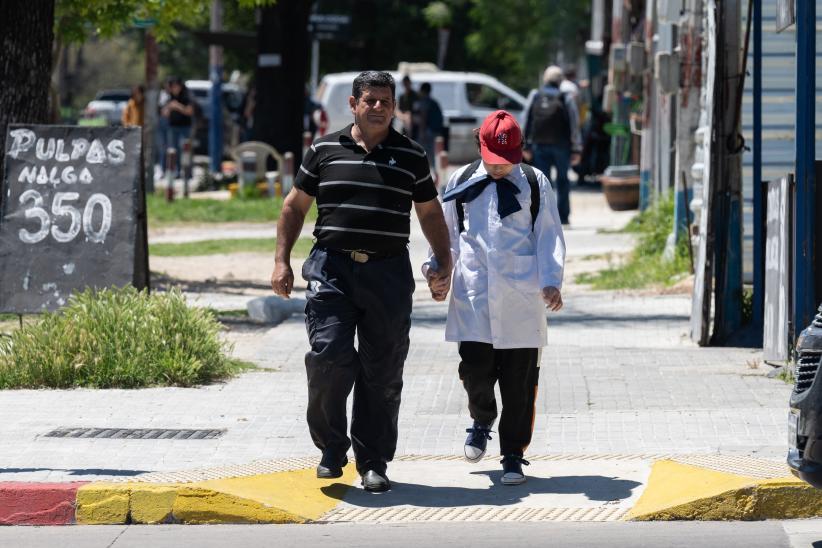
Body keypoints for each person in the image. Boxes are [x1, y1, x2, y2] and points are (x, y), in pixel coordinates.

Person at [271, 71, 452, 493]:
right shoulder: (323, 150)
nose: (378, 107)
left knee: (383, 371)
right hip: (331, 270)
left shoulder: (410, 155)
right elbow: (294, 206)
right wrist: (281, 260)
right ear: (353, 104)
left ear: (394, 106)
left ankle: (373, 461)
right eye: (369, 100)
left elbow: (428, 213)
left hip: (388, 274)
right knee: (328, 357)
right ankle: (332, 449)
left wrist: (444, 261)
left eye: (385, 100)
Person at [424, 110, 565, 485]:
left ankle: (513, 454)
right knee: (475, 372)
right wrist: (436, 271)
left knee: (520, 383)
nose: (500, 168)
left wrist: (551, 280)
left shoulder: (535, 182)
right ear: (478, 146)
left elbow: (548, 234)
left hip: (521, 299)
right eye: (493, 161)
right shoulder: (462, 180)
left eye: (507, 161)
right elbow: (447, 234)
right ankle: (481, 417)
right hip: (474, 297)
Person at [523, 65, 582, 225]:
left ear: (545, 79)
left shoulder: (535, 95)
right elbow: (574, 123)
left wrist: (525, 146)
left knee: (542, 182)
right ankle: (563, 217)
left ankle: (543, 217)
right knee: (563, 181)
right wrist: (576, 148)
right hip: (562, 147)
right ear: (560, 81)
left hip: (539, 146)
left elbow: (526, 119)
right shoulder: (565, 97)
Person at [161, 77, 194, 177]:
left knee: (186, 150)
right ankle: (177, 171)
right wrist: (169, 108)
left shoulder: (186, 96)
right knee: (174, 151)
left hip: (185, 127)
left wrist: (177, 106)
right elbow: (164, 113)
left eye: (176, 86)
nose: (175, 88)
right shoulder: (169, 97)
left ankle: (188, 172)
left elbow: (189, 111)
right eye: (173, 86)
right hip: (173, 127)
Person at [413, 82, 444, 168]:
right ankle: (434, 170)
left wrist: (422, 132)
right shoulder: (433, 101)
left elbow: (423, 116)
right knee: (433, 153)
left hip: (428, 132)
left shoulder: (424, 101)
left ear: (422, 90)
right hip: (435, 131)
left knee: (420, 150)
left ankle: (425, 169)